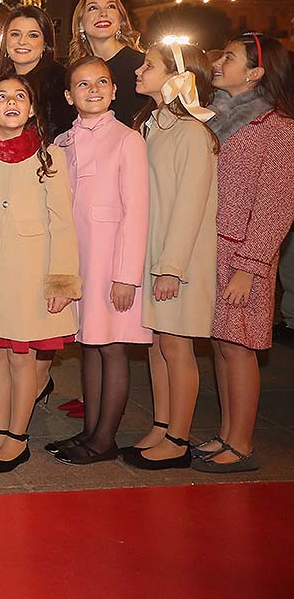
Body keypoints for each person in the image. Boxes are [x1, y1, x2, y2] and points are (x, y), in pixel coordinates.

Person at [0, 74, 80, 473]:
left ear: (31, 108)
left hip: (29, 273)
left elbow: (63, 223)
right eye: (1, 97)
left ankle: (18, 436)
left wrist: (61, 283)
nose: (10, 103)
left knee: (22, 359)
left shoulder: (49, 156)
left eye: (19, 97)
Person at [194, 34, 294, 472]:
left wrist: (250, 268)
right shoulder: (215, 117)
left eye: (229, 58)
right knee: (220, 344)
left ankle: (242, 443)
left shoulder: (277, 127)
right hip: (211, 248)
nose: (218, 62)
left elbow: (276, 205)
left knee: (239, 348)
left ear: (255, 73)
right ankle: (225, 432)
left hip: (243, 256)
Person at [47, 57, 150, 465]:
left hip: (111, 263)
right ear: (70, 96)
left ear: (113, 90)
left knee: (112, 349)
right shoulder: (62, 143)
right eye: (83, 84)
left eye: (101, 82)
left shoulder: (127, 139)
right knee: (88, 344)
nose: (93, 89)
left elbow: (137, 212)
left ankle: (105, 439)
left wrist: (126, 276)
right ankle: (89, 429)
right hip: (79, 262)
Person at [123, 42, 218, 470]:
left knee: (177, 347)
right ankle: (162, 426)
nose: (139, 71)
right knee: (158, 346)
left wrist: (170, 268)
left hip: (177, 262)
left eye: (149, 66)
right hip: (154, 254)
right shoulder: (153, 127)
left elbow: (189, 206)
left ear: (177, 78)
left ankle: (179, 438)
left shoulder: (193, 134)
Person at [0, 5, 73, 142]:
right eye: (15, 34)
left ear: (45, 44)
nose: (22, 41)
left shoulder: (61, 82)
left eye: (33, 35)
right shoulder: (0, 82)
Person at [68, 0, 144, 127]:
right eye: (93, 8)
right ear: (80, 23)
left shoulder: (141, 66)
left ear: (120, 18)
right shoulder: (74, 71)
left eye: (110, 6)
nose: (103, 13)